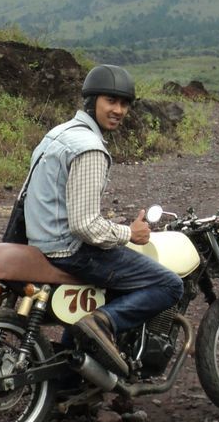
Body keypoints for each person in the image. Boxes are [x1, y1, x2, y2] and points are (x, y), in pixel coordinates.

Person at [23, 64, 183, 375]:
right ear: (92, 100)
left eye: (124, 103)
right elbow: (84, 226)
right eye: (111, 100)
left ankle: (78, 375)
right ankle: (100, 323)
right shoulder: (90, 148)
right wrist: (129, 233)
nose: (119, 110)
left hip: (40, 242)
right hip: (69, 250)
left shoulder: (58, 134)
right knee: (169, 284)